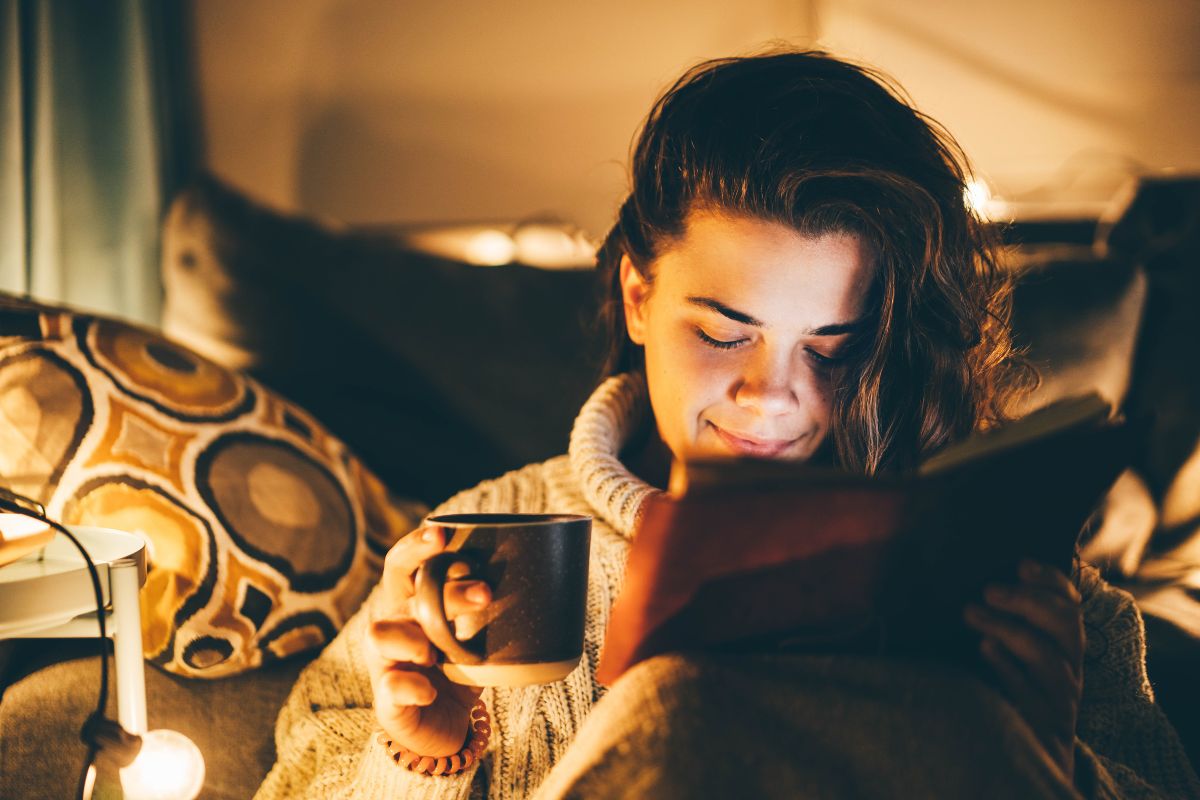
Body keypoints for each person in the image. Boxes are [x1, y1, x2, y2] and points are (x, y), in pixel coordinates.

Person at [254, 50, 1200, 799]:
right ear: (636, 294)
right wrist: (418, 761)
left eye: (829, 346)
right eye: (721, 332)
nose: (769, 393)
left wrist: (1050, 761)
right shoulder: (484, 547)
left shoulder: (1024, 587)